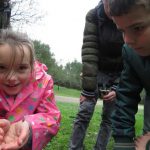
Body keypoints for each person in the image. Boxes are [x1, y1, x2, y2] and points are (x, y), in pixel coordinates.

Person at [69, 0, 123, 149]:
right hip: (97, 69)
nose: (112, 8)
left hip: (119, 72)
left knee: (109, 118)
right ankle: (75, 147)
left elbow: (132, 56)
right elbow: (89, 49)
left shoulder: (129, 12)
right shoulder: (93, 15)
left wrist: (118, 87)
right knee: (84, 111)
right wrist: (88, 87)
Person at [0, 29, 61, 150]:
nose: (11, 78)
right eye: (1, 67)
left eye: (21, 68)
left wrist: (29, 126)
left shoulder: (43, 83)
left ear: (32, 67)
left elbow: (52, 117)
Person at [107, 0, 150, 149]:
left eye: (138, 28)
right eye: (122, 31)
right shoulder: (130, 52)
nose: (128, 40)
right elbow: (126, 95)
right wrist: (123, 142)